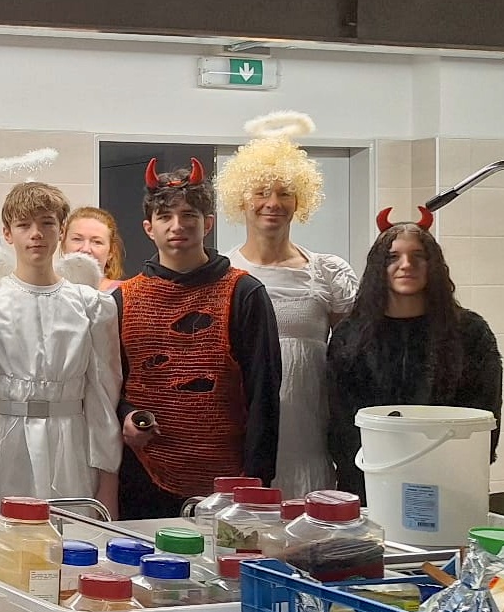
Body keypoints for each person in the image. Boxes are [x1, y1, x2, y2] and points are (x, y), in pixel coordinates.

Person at [114, 159, 282, 518]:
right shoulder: (123, 300)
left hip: (227, 477)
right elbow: (109, 387)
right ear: (149, 228)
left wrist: (256, 483)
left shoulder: (244, 293)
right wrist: (125, 415)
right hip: (142, 472)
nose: (177, 226)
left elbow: (264, 395)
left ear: (208, 223)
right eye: (165, 216)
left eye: (189, 215)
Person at [0, 182, 122, 523]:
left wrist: (108, 481)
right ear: (8, 233)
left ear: (61, 230)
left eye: (47, 223)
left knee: (70, 541)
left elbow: (103, 396)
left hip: (71, 448)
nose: (36, 234)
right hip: (2, 448)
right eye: (24, 225)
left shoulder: (91, 305)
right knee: (4, 540)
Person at [221, 112, 359, 496]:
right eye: (261, 192)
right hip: (245, 431)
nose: (273, 203)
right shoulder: (224, 274)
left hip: (311, 432)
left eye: (284, 193)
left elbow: (354, 355)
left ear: (301, 200)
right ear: (240, 198)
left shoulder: (327, 271)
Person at [328, 213, 502, 497]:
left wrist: (461, 468)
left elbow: (484, 415)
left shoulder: (470, 332)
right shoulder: (350, 335)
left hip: (450, 481)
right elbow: (341, 421)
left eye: (418, 256)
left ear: (434, 266)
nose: (406, 265)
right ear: (378, 267)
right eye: (392, 257)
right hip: (370, 480)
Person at [62, 206, 126, 292]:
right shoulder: (47, 292)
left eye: (97, 242)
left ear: (111, 251)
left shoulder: (125, 293)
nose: (85, 249)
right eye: (77, 239)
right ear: (63, 244)